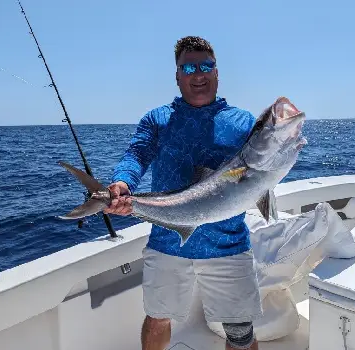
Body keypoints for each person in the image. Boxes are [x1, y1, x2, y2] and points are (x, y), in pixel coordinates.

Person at [104, 36, 263, 350]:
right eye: (188, 67)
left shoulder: (244, 122)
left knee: (240, 332)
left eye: (206, 65)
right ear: (177, 76)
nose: (198, 73)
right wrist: (123, 183)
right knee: (158, 318)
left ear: (217, 72)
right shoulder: (158, 119)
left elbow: (262, 172)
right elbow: (137, 155)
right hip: (168, 241)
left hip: (227, 243)